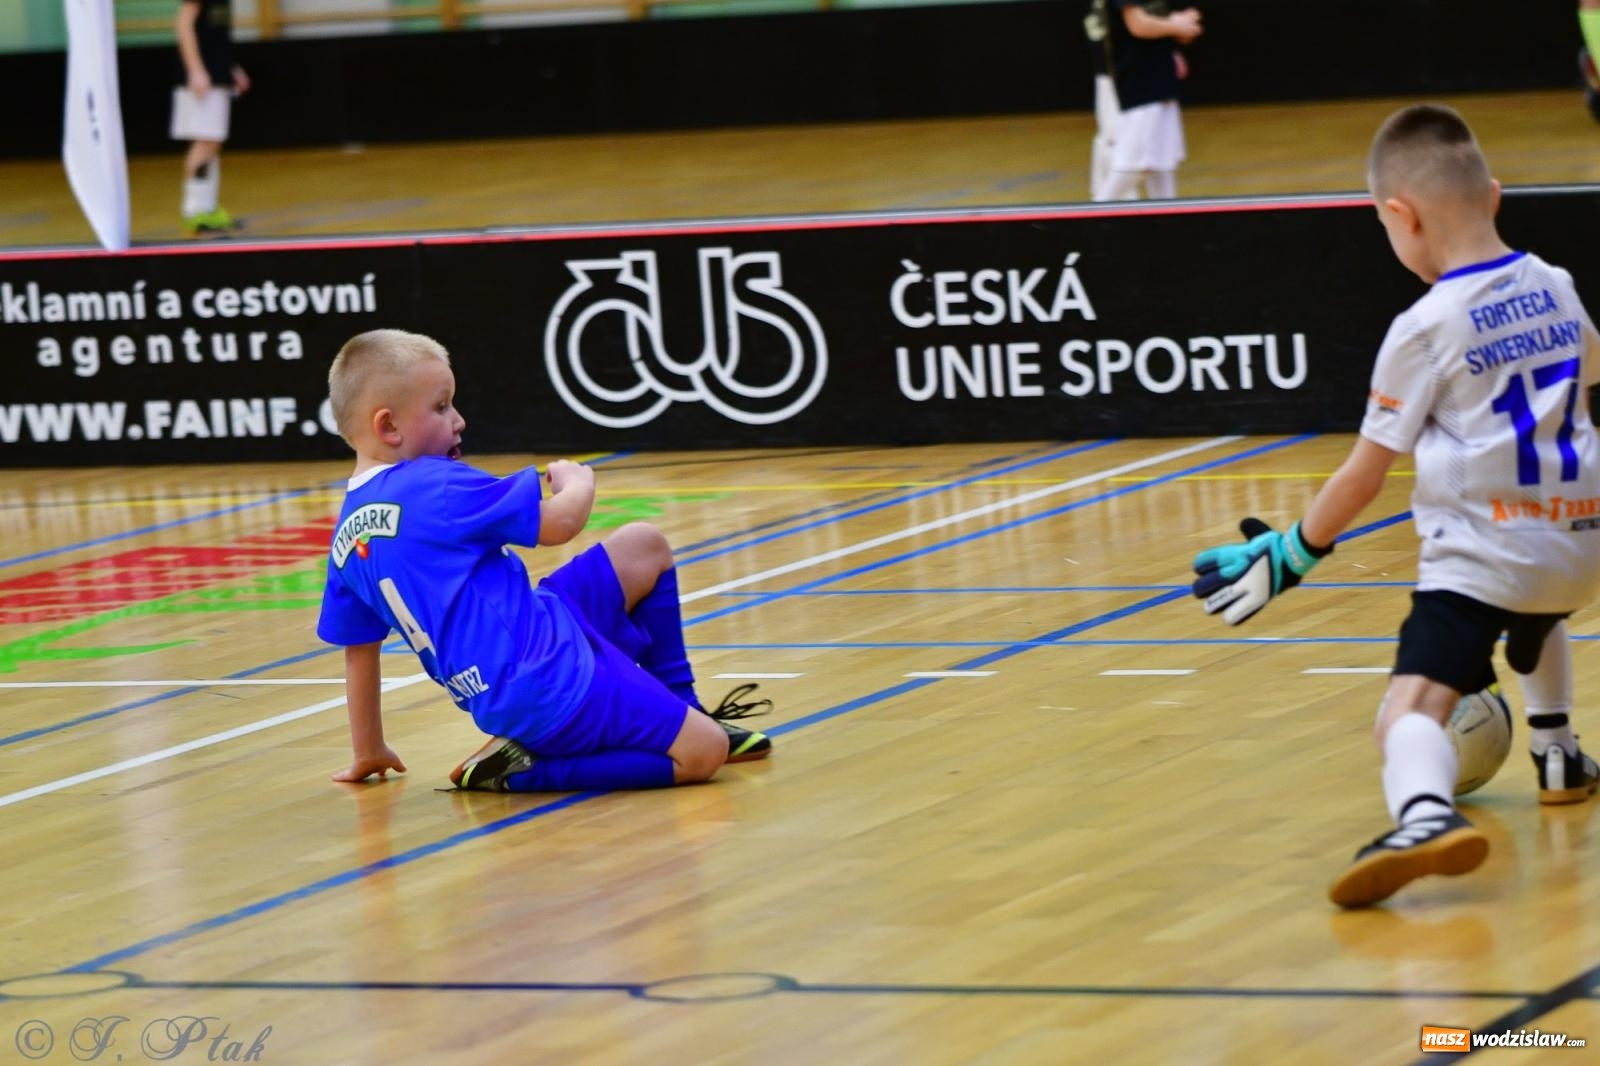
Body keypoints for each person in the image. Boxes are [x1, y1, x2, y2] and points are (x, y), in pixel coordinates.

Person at [1191, 104, 1600, 908]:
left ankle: (1422, 817)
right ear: (1495, 194)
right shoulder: (1556, 284)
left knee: (1407, 712)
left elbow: (1365, 474)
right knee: (1539, 605)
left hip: (1487, 559)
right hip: (1583, 546)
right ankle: (1557, 752)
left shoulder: (1423, 328)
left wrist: (1292, 553)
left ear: (1398, 216)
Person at [315, 329, 772, 793]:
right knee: (703, 753)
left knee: (643, 545)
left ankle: (683, 706)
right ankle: (527, 771)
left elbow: (360, 650)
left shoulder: (344, 542)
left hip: (536, 645)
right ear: (388, 427)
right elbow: (559, 524)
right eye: (441, 407)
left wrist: (368, 748)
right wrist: (578, 481)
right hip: (552, 681)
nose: (459, 419)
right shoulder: (434, 484)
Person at [1093, 0, 1202, 203]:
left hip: (1160, 84)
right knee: (1133, 166)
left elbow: (1154, 22)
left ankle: (1167, 224)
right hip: (1142, 86)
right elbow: (1138, 25)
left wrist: (1179, 26)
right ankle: (1088, 219)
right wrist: (1175, 25)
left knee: (1161, 164)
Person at [173, 0, 248, 236]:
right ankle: (194, 212)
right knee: (205, 142)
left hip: (217, 75)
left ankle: (207, 208)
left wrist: (231, 69)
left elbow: (214, 36)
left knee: (212, 142)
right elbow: (183, 24)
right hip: (201, 79)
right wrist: (195, 70)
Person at [1083, 1, 1118, 201]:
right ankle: (1104, 198)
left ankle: (1101, 193)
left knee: (1109, 135)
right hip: (1110, 72)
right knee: (1111, 136)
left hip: (1112, 70)